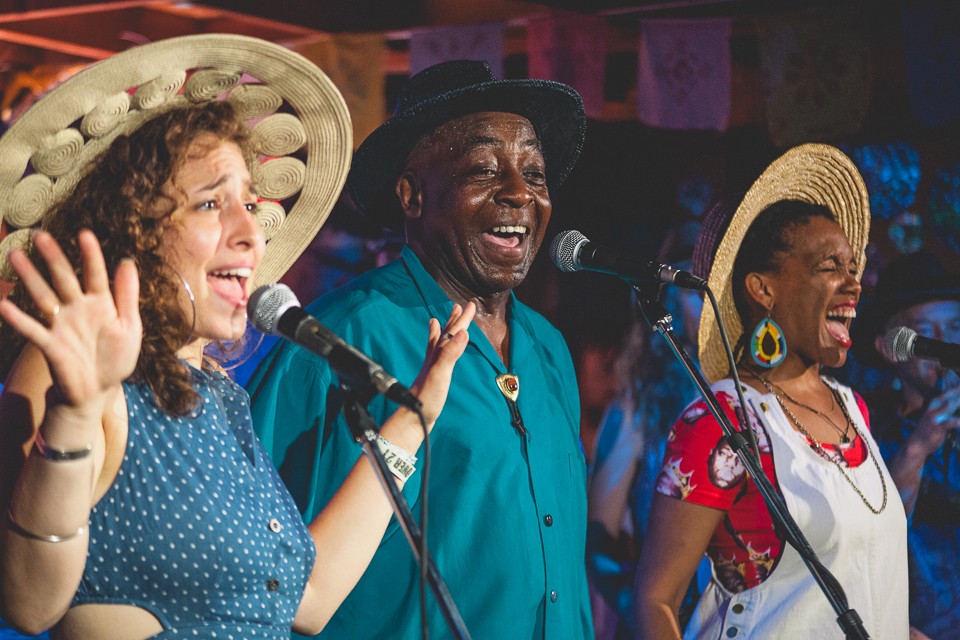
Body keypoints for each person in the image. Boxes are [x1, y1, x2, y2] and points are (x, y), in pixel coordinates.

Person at [0, 35, 474, 639]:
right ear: (130, 229)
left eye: (250, 203)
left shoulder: (220, 396)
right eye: (209, 204)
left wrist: (412, 421)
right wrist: (73, 413)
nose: (251, 232)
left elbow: (309, 598)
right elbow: (28, 602)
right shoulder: (74, 368)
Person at [247, 60, 593, 639]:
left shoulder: (549, 348)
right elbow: (254, 568)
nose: (519, 192)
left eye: (534, 171)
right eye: (485, 169)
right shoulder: (339, 340)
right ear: (411, 196)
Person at [633, 144, 909, 639]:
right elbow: (655, 600)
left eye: (854, 268)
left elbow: (858, 588)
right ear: (763, 288)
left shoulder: (853, 410)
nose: (854, 284)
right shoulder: (720, 423)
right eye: (830, 267)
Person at [586, 221, 708, 640]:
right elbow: (598, 538)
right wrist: (643, 613)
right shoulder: (639, 401)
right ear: (672, 296)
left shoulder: (744, 394)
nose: (708, 306)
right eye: (696, 290)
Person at [859, 250, 960, 640]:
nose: (944, 341)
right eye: (925, 330)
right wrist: (917, 449)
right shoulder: (864, 430)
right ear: (889, 347)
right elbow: (869, 545)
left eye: (955, 326)